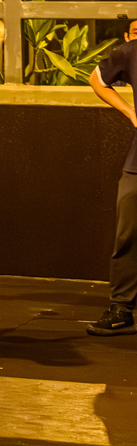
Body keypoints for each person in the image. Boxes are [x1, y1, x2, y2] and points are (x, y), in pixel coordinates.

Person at [86, 17, 137, 336]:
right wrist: (130, 112)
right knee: (127, 233)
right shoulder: (131, 52)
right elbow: (96, 79)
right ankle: (122, 308)